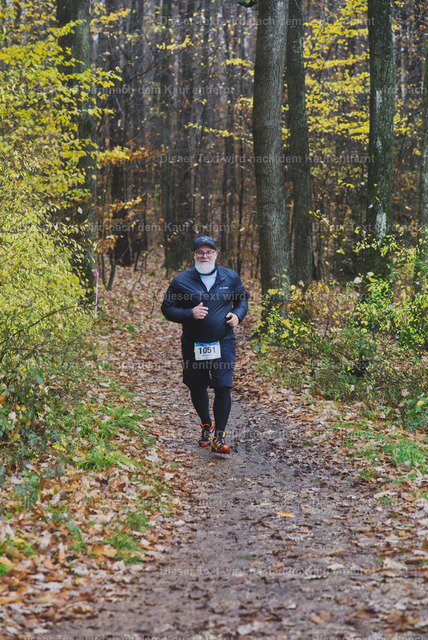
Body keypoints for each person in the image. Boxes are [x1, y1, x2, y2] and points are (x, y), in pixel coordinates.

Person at [161, 236, 249, 454]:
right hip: (194, 343)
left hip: (223, 341)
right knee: (197, 385)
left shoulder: (230, 277)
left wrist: (238, 315)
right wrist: (189, 313)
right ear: (194, 255)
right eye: (200, 252)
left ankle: (219, 435)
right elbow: (167, 309)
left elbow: (242, 299)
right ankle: (206, 424)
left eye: (209, 252)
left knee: (222, 386)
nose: (204, 256)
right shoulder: (181, 281)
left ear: (216, 254)